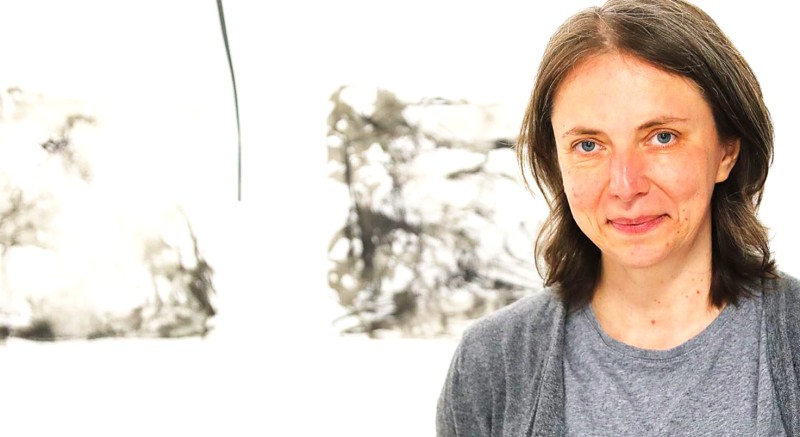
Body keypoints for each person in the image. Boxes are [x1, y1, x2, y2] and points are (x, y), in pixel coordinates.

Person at [436, 0, 800, 435]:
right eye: (588, 145)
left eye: (662, 137)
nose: (626, 185)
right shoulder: (491, 363)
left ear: (727, 152)